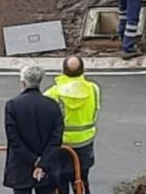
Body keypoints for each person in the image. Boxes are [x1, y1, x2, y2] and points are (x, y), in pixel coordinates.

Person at [4, 65, 64, 194]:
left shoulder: (13, 105)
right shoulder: (52, 105)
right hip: (47, 166)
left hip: (21, 166)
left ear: (23, 82)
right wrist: (42, 163)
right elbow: (56, 138)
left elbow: (14, 139)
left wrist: (34, 160)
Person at [45, 56, 101, 194]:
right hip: (85, 142)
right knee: (82, 181)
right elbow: (95, 111)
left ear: (63, 71)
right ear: (83, 70)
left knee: (62, 182)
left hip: (63, 144)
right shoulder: (93, 89)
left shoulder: (53, 93)